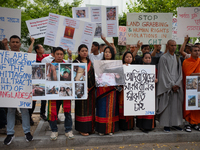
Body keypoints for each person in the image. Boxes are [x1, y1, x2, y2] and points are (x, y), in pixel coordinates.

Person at [3, 35, 33, 145]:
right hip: (10, 90)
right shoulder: (5, 56)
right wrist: (5, 45)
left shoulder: (24, 56)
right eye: (13, 42)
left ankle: (27, 132)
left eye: (17, 42)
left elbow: (30, 59)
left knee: (24, 111)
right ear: (10, 44)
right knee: (10, 110)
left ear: (20, 44)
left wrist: (32, 42)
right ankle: (10, 133)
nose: (15, 44)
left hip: (23, 89)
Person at [156, 40, 184, 132]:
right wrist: (172, 85)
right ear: (167, 46)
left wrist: (178, 83)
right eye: (172, 45)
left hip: (176, 85)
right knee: (167, 106)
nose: (174, 47)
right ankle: (166, 125)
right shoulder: (163, 58)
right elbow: (163, 73)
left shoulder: (177, 58)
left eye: (175, 45)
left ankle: (175, 124)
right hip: (167, 86)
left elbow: (180, 73)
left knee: (176, 106)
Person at [47, 47, 74, 140]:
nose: (59, 56)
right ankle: (54, 131)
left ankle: (68, 130)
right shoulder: (48, 65)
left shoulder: (67, 65)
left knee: (67, 112)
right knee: (53, 112)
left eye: (61, 54)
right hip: (53, 93)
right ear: (53, 54)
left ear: (63, 55)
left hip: (64, 92)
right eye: (57, 54)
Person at [96, 46, 119, 135]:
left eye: (109, 52)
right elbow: (98, 76)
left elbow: (118, 77)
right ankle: (101, 130)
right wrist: (101, 82)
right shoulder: (99, 64)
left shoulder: (116, 64)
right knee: (102, 109)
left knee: (111, 110)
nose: (107, 53)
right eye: (106, 52)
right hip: (102, 89)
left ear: (112, 54)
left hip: (112, 90)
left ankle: (110, 129)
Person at [73, 44, 96, 136]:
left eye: (86, 50)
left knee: (90, 109)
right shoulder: (76, 62)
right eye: (82, 51)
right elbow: (74, 77)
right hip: (80, 91)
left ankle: (90, 128)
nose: (84, 52)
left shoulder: (90, 62)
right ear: (79, 52)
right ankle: (82, 129)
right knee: (81, 110)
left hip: (91, 90)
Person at [28, 37, 49, 125]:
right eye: (41, 48)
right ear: (37, 50)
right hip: (36, 81)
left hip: (44, 81)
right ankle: (29, 116)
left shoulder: (45, 57)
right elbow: (29, 52)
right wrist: (32, 42)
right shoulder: (34, 57)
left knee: (44, 99)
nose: (43, 49)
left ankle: (42, 114)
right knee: (34, 100)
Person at [136, 52, 158, 133]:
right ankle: (141, 126)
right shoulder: (139, 68)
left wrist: (156, 80)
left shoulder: (154, 69)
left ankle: (149, 126)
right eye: (146, 58)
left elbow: (157, 77)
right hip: (141, 92)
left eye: (149, 58)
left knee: (149, 109)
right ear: (143, 59)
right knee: (142, 109)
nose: (148, 59)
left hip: (150, 93)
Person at [182, 46, 200, 132]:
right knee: (189, 104)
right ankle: (187, 123)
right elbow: (188, 75)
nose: (197, 52)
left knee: (197, 105)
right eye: (195, 51)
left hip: (198, 87)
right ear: (190, 52)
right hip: (189, 87)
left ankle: (195, 123)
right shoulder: (186, 62)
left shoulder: (199, 61)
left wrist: (196, 74)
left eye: (198, 51)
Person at [118, 51, 135, 131]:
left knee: (130, 106)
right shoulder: (121, 67)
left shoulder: (135, 68)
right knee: (123, 107)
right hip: (123, 91)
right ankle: (123, 126)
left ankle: (130, 125)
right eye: (127, 57)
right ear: (124, 58)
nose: (129, 58)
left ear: (133, 58)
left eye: (130, 57)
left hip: (131, 90)